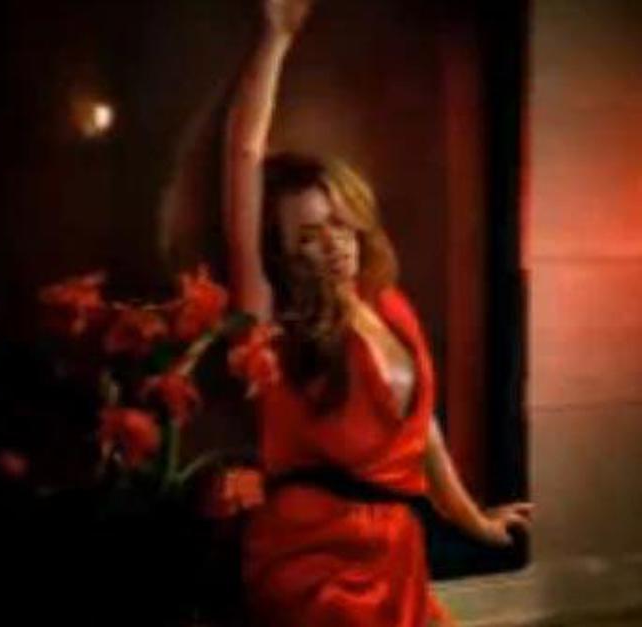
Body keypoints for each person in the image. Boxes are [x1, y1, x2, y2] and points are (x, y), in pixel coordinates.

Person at [218, 0, 534, 624]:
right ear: (280, 252)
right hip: (311, 558)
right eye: (308, 236)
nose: (333, 244)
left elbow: (423, 434)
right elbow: (243, 159)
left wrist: (473, 519)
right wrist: (276, 41)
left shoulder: (387, 304)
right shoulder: (273, 325)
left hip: (394, 554)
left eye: (339, 223)